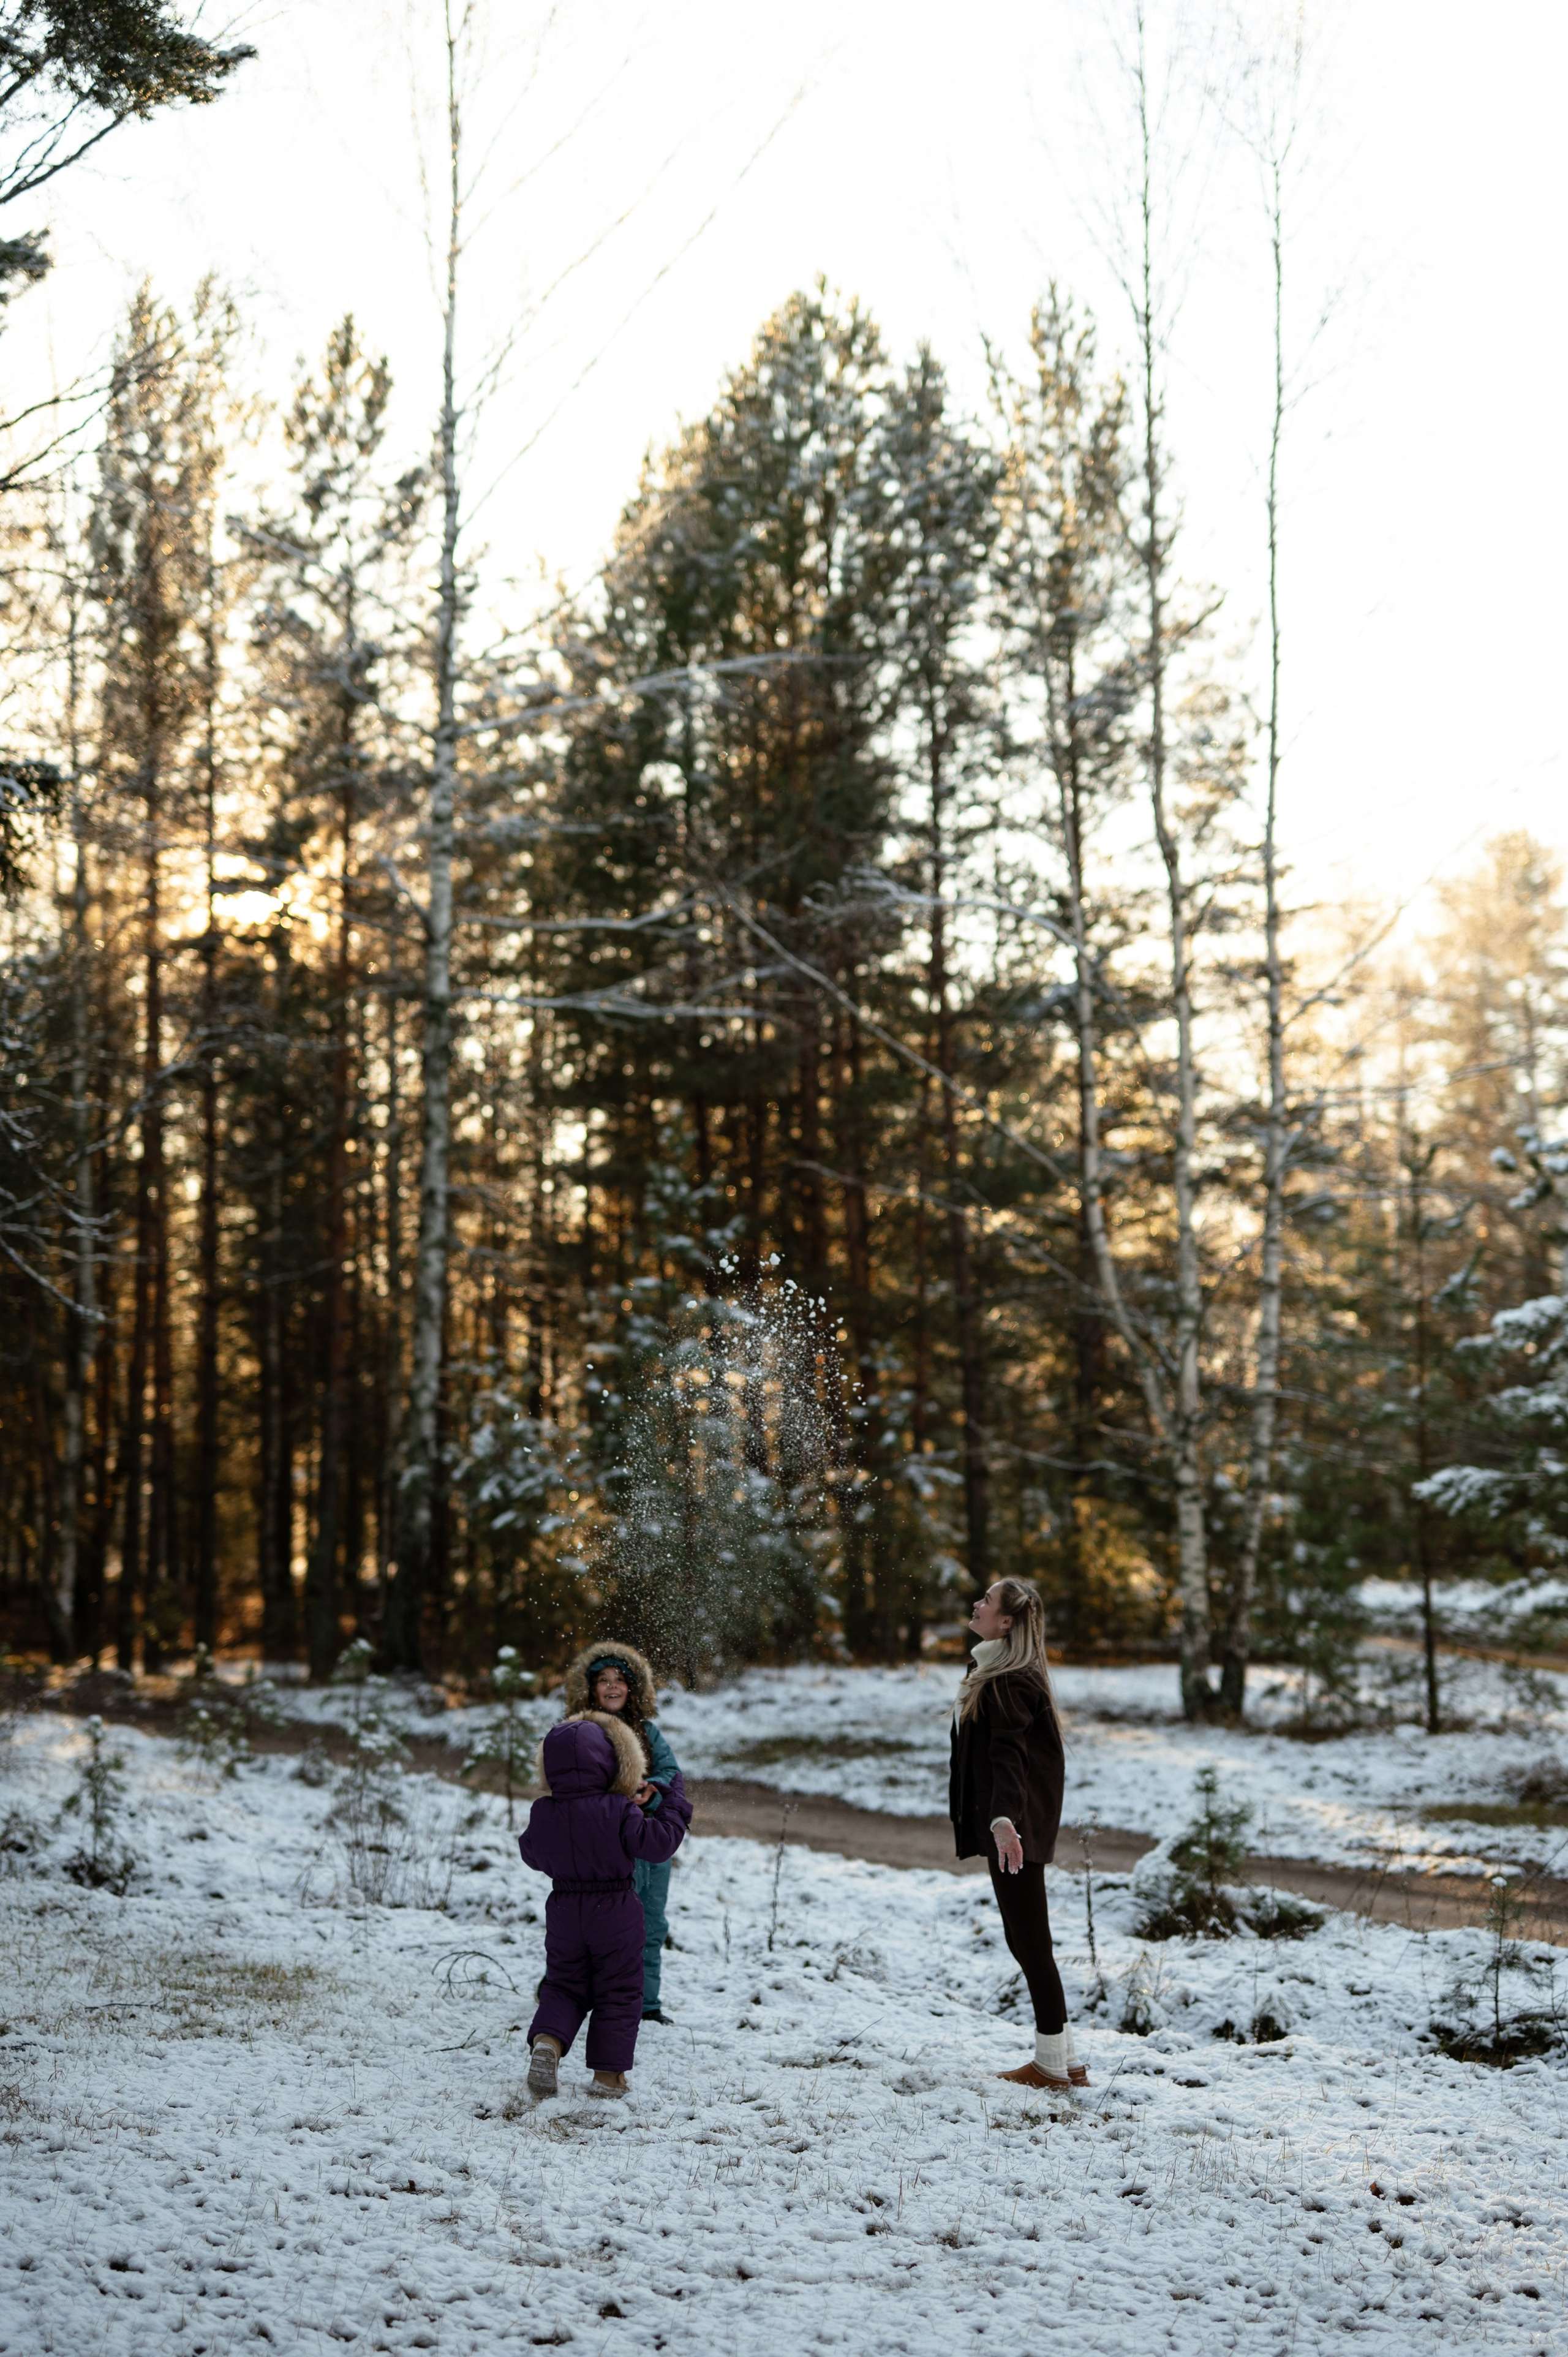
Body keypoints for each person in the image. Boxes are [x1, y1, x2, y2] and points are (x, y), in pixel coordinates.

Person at [949, 1575, 1085, 2092]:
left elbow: (1009, 1758)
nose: (977, 1604)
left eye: (987, 1600)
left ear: (1006, 1621)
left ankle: (1051, 2066)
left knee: (1029, 1943)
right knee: (1030, 1941)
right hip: (1014, 1823)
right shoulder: (1002, 1670)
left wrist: (1004, 1821)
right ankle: (1065, 2059)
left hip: (1014, 1828)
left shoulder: (1009, 1680)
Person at [518, 1710, 691, 2100]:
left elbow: (531, 1853)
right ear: (611, 1762)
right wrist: (674, 1801)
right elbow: (658, 1843)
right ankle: (608, 2077)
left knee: (563, 1985)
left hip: (563, 1908)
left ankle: (548, 2042)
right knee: (619, 1989)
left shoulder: (544, 1811)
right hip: (614, 1908)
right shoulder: (619, 1809)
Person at [562, 1642, 682, 2022]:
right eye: (603, 1680)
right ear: (590, 1688)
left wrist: (653, 1789)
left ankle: (646, 2005)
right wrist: (608, 1802)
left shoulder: (647, 1732)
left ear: (633, 1688)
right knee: (589, 1922)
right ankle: (564, 1990)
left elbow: (671, 1773)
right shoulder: (580, 1732)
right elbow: (565, 1780)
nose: (612, 1687)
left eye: (620, 1680)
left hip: (646, 1841)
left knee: (649, 1923)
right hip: (602, 1845)